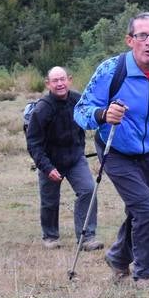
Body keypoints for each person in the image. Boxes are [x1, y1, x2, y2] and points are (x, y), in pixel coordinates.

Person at [74, 12, 149, 288]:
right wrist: (103, 114)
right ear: (130, 40)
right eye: (142, 36)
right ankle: (146, 274)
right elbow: (81, 111)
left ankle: (117, 257)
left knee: (139, 210)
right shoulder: (111, 70)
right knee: (148, 210)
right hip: (114, 149)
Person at [26, 66, 104, 251]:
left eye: (62, 79)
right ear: (48, 84)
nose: (60, 84)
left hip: (76, 158)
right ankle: (51, 237)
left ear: (69, 79)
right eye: (55, 81)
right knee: (50, 200)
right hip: (50, 161)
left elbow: (92, 120)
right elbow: (33, 143)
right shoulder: (42, 109)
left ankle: (87, 237)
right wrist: (46, 167)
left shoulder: (79, 100)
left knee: (88, 190)